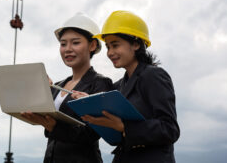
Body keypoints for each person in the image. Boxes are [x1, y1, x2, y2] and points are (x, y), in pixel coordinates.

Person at [72, 10, 180, 163]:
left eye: (115, 45)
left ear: (136, 44)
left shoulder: (153, 75)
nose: (110, 53)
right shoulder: (118, 87)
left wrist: (124, 127)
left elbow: (170, 130)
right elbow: (116, 138)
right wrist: (90, 102)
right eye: (108, 47)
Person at [21, 12, 113, 163]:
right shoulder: (57, 86)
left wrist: (54, 126)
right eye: (63, 44)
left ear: (92, 45)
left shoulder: (100, 83)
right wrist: (40, 93)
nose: (68, 49)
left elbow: (92, 133)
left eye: (75, 43)